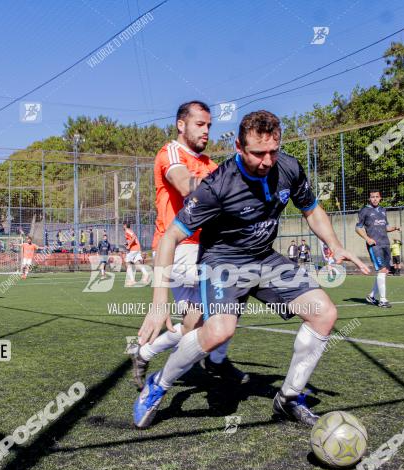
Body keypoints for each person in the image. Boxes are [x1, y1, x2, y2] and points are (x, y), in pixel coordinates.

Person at [134, 109, 370, 429]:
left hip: (264, 258)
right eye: (258, 153)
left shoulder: (287, 167)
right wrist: (159, 300)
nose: (267, 161)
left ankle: (288, 398)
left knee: (324, 313)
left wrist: (335, 244)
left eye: (273, 151)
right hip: (222, 262)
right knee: (219, 330)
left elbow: (311, 210)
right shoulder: (216, 187)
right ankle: (158, 385)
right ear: (238, 147)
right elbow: (170, 237)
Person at [130, 100, 247, 390]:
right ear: (181, 125)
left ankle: (144, 353)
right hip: (178, 249)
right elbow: (185, 185)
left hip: (201, 251)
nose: (206, 130)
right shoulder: (171, 152)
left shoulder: (210, 164)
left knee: (195, 325)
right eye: (200, 124)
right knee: (237, 278)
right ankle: (217, 361)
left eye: (209, 125)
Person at [356, 191, 400, 308]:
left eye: (377, 197)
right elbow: (358, 228)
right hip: (374, 246)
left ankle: (371, 296)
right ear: (369, 198)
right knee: (381, 270)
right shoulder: (364, 210)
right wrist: (367, 238)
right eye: (372, 197)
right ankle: (383, 300)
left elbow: (385, 227)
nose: (375, 199)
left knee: (384, 271)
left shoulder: (382, 210)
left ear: (380, 198)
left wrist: (394, 228)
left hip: (385, 244)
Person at [123, 221, 149, 286]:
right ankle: (146, 274)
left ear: (125, 225)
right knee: (137, 262)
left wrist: (129, 245)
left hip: (134, 249)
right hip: (137, 248)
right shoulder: (130, 230)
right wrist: (127, 244)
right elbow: (132, 239)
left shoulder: (127, 231)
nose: (123, 226)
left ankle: (132, 280)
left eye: (123, 225)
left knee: (127, 262)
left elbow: (134, 237)